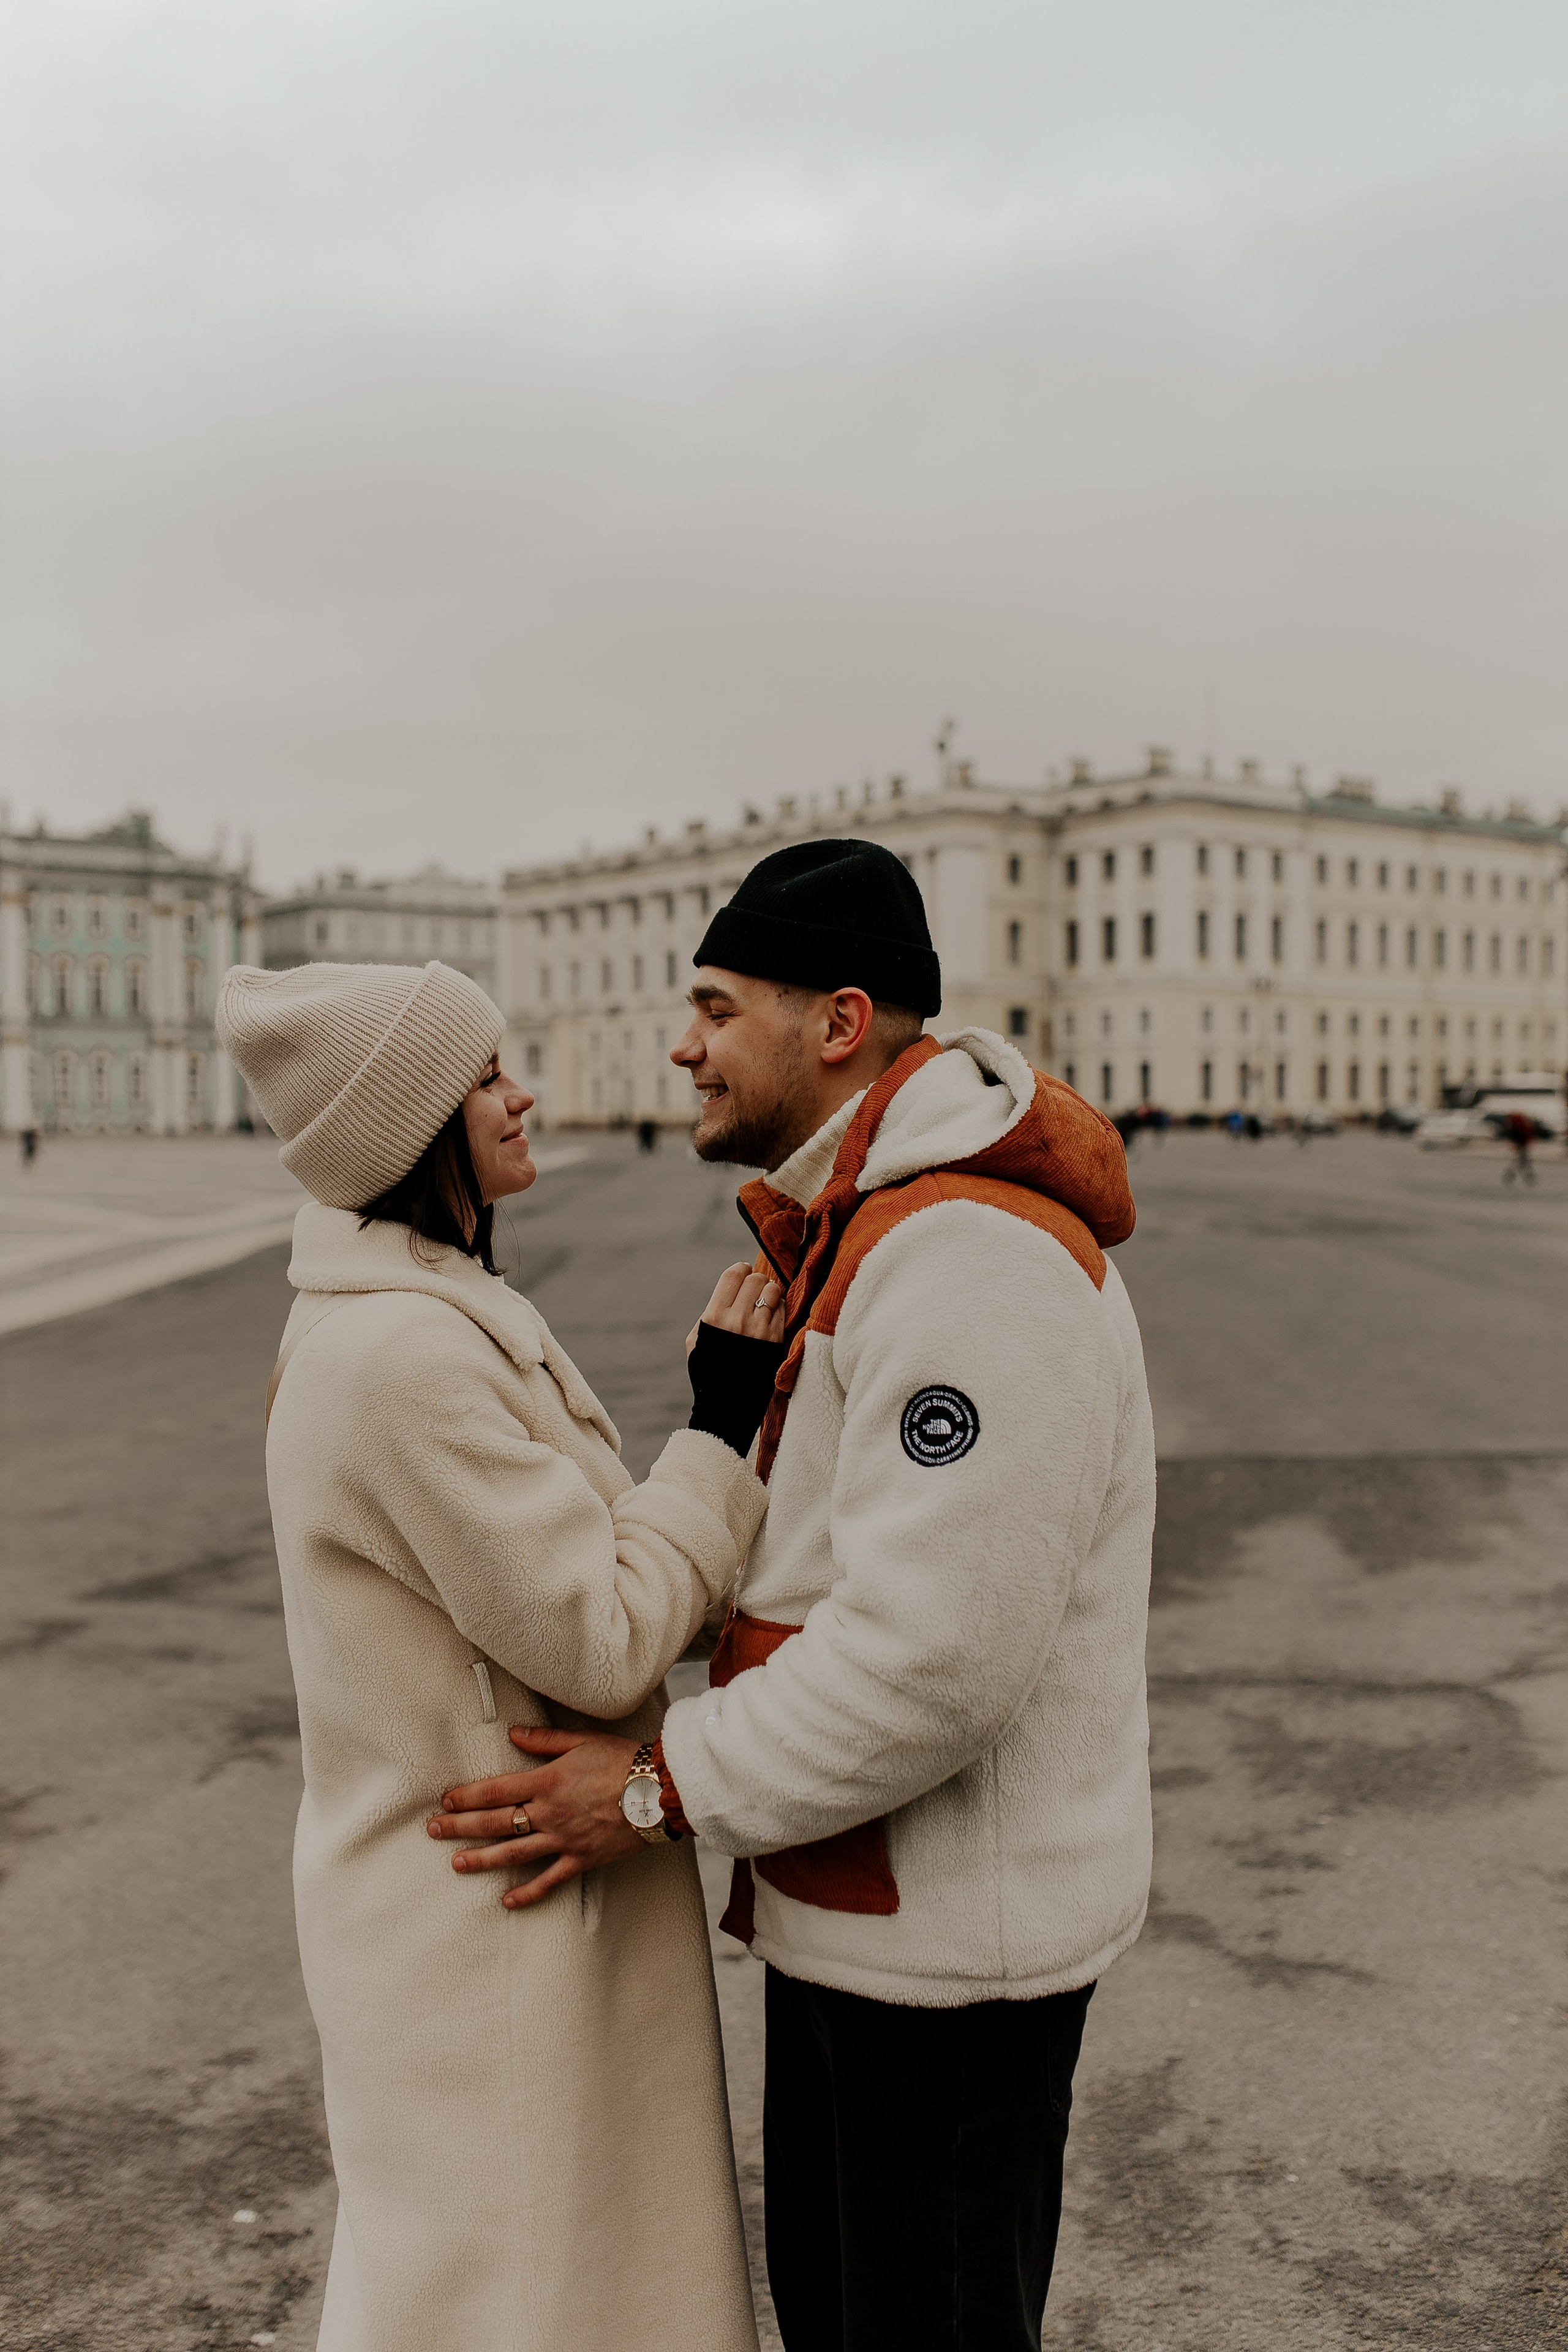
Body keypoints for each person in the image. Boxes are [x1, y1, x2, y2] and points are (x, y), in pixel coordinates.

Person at [434, 840, 1156, 2352]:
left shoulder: (966, 1255)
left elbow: (931, 1662)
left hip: (949, 1969)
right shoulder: (867, 1232)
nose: (680, 1044)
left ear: (836, 1023)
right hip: (864, 1919)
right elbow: (810, 1571)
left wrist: (643, 1788)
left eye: (711, 1005)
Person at [215, 957, 784, 2352]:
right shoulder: (405, 1355)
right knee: (518, 2296)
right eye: (481, 1078)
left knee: (500, 2286)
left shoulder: (405, 1318)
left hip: (479, 1903)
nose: (520, 1093)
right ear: (408, 1127)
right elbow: (597, 1638)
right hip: (499, 1916)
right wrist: (715, 1423)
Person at [1502, 1109, 1537, 1184]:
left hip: (1521, 1145)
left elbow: (1516, 1136)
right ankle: (1527, 1177)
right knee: (1524, 1162)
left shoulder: (1518, 1125)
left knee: (1523, 1162)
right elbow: (1525, 1135)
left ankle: (1512, 1176)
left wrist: (1516, 1145)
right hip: (1522, 1145)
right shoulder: (1522, 1125)